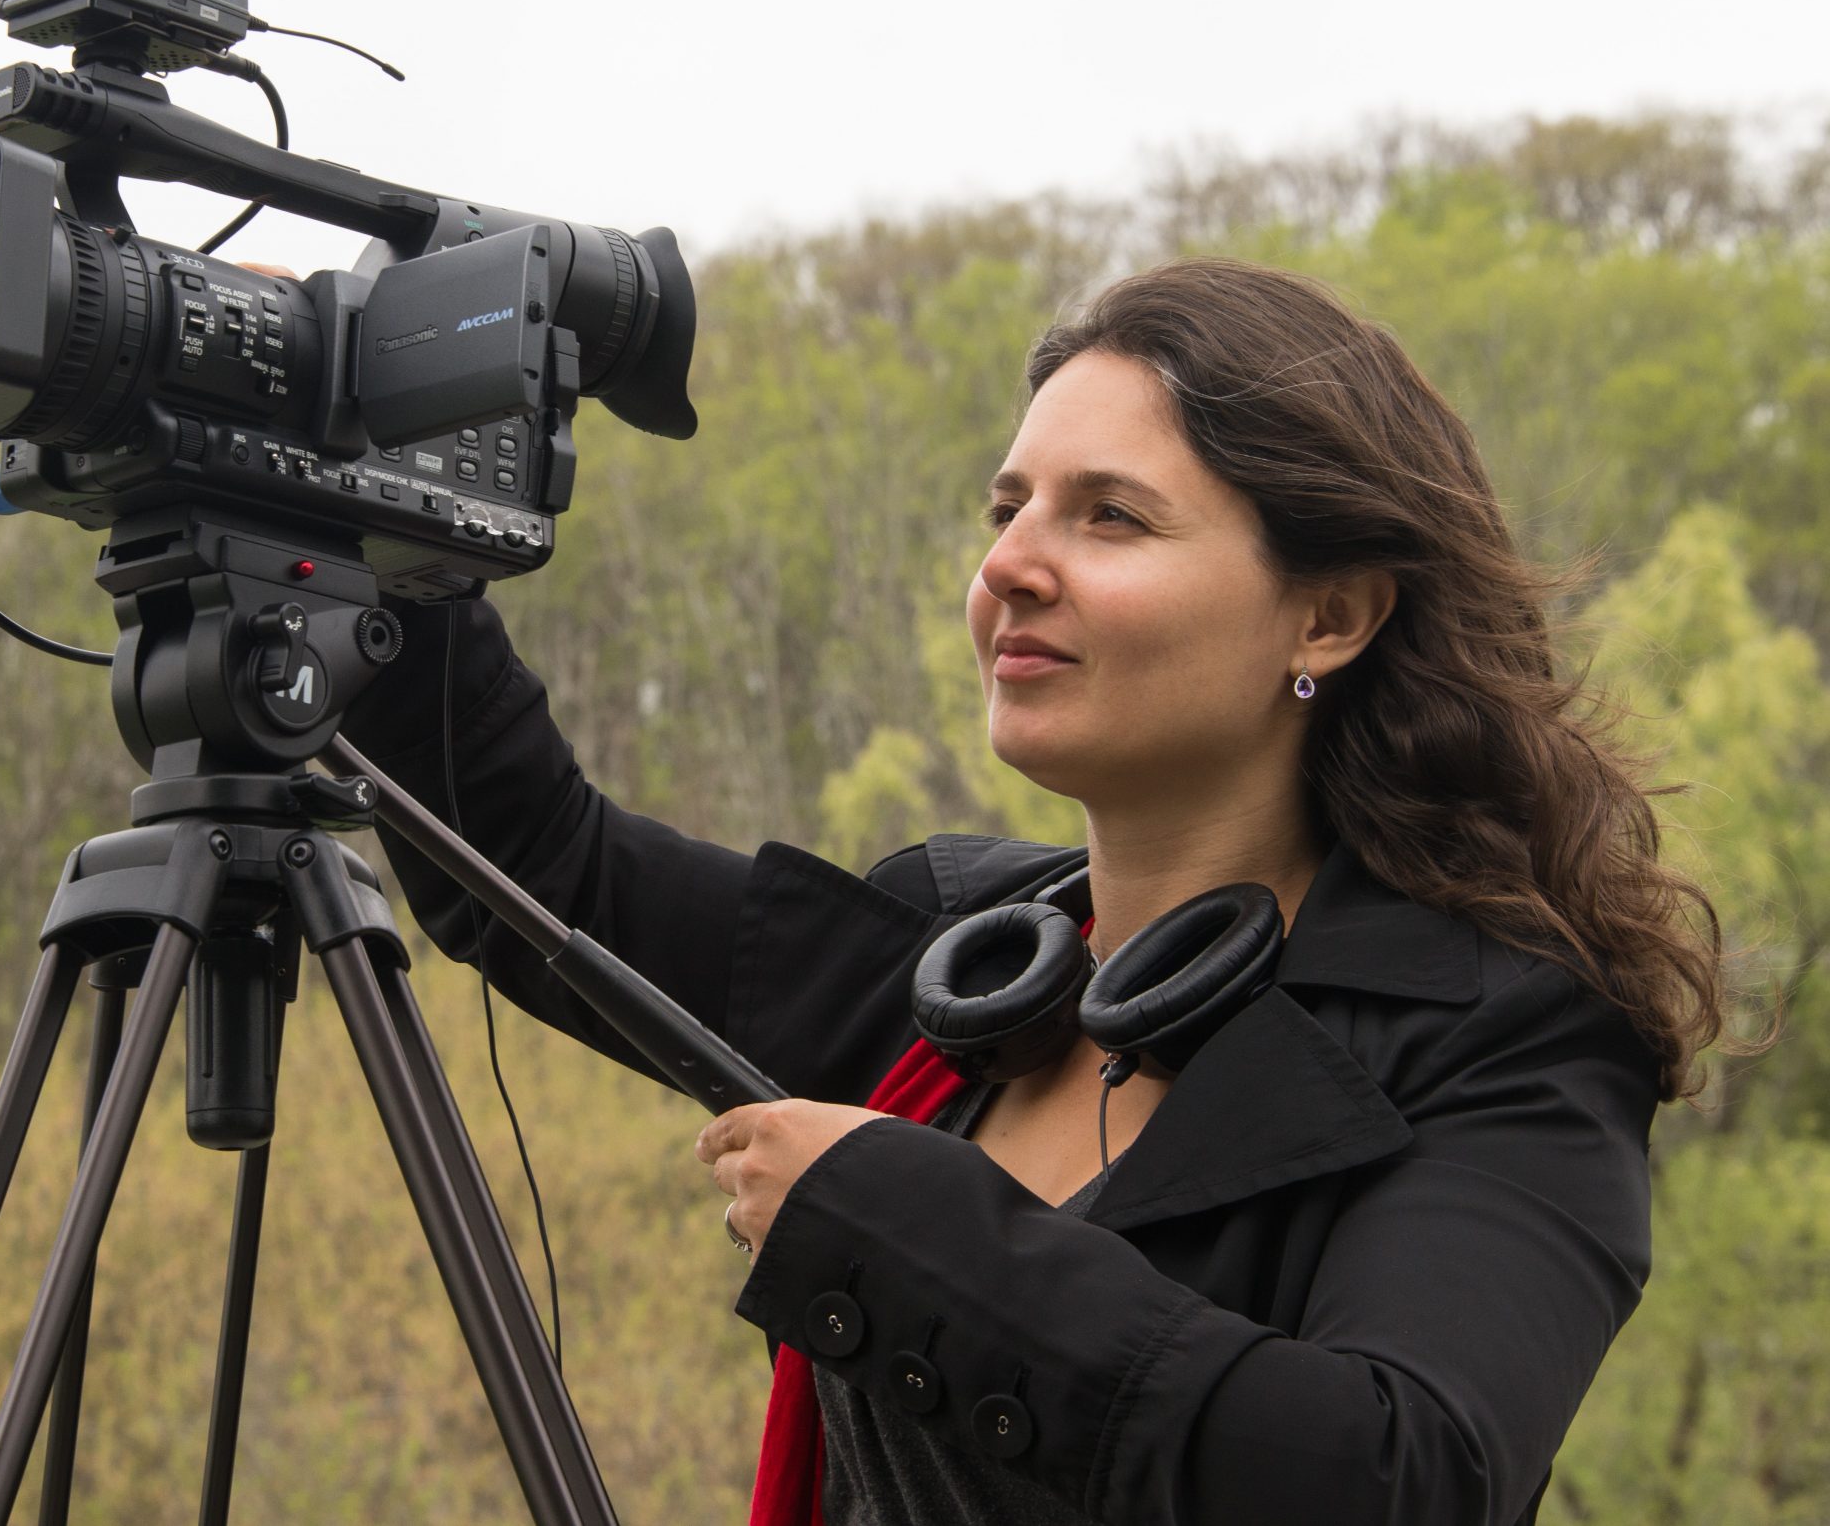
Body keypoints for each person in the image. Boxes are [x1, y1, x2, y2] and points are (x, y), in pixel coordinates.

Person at [315, 255, 1738, 1525]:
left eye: (1109, 517)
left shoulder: (1502, 1034)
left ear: (1331, 611)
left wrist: (909, 1229)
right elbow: (537, 867)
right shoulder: (958, 963)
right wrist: (349, 521)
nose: (1008, 566)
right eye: (1010, 509)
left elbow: (1401, 1475)